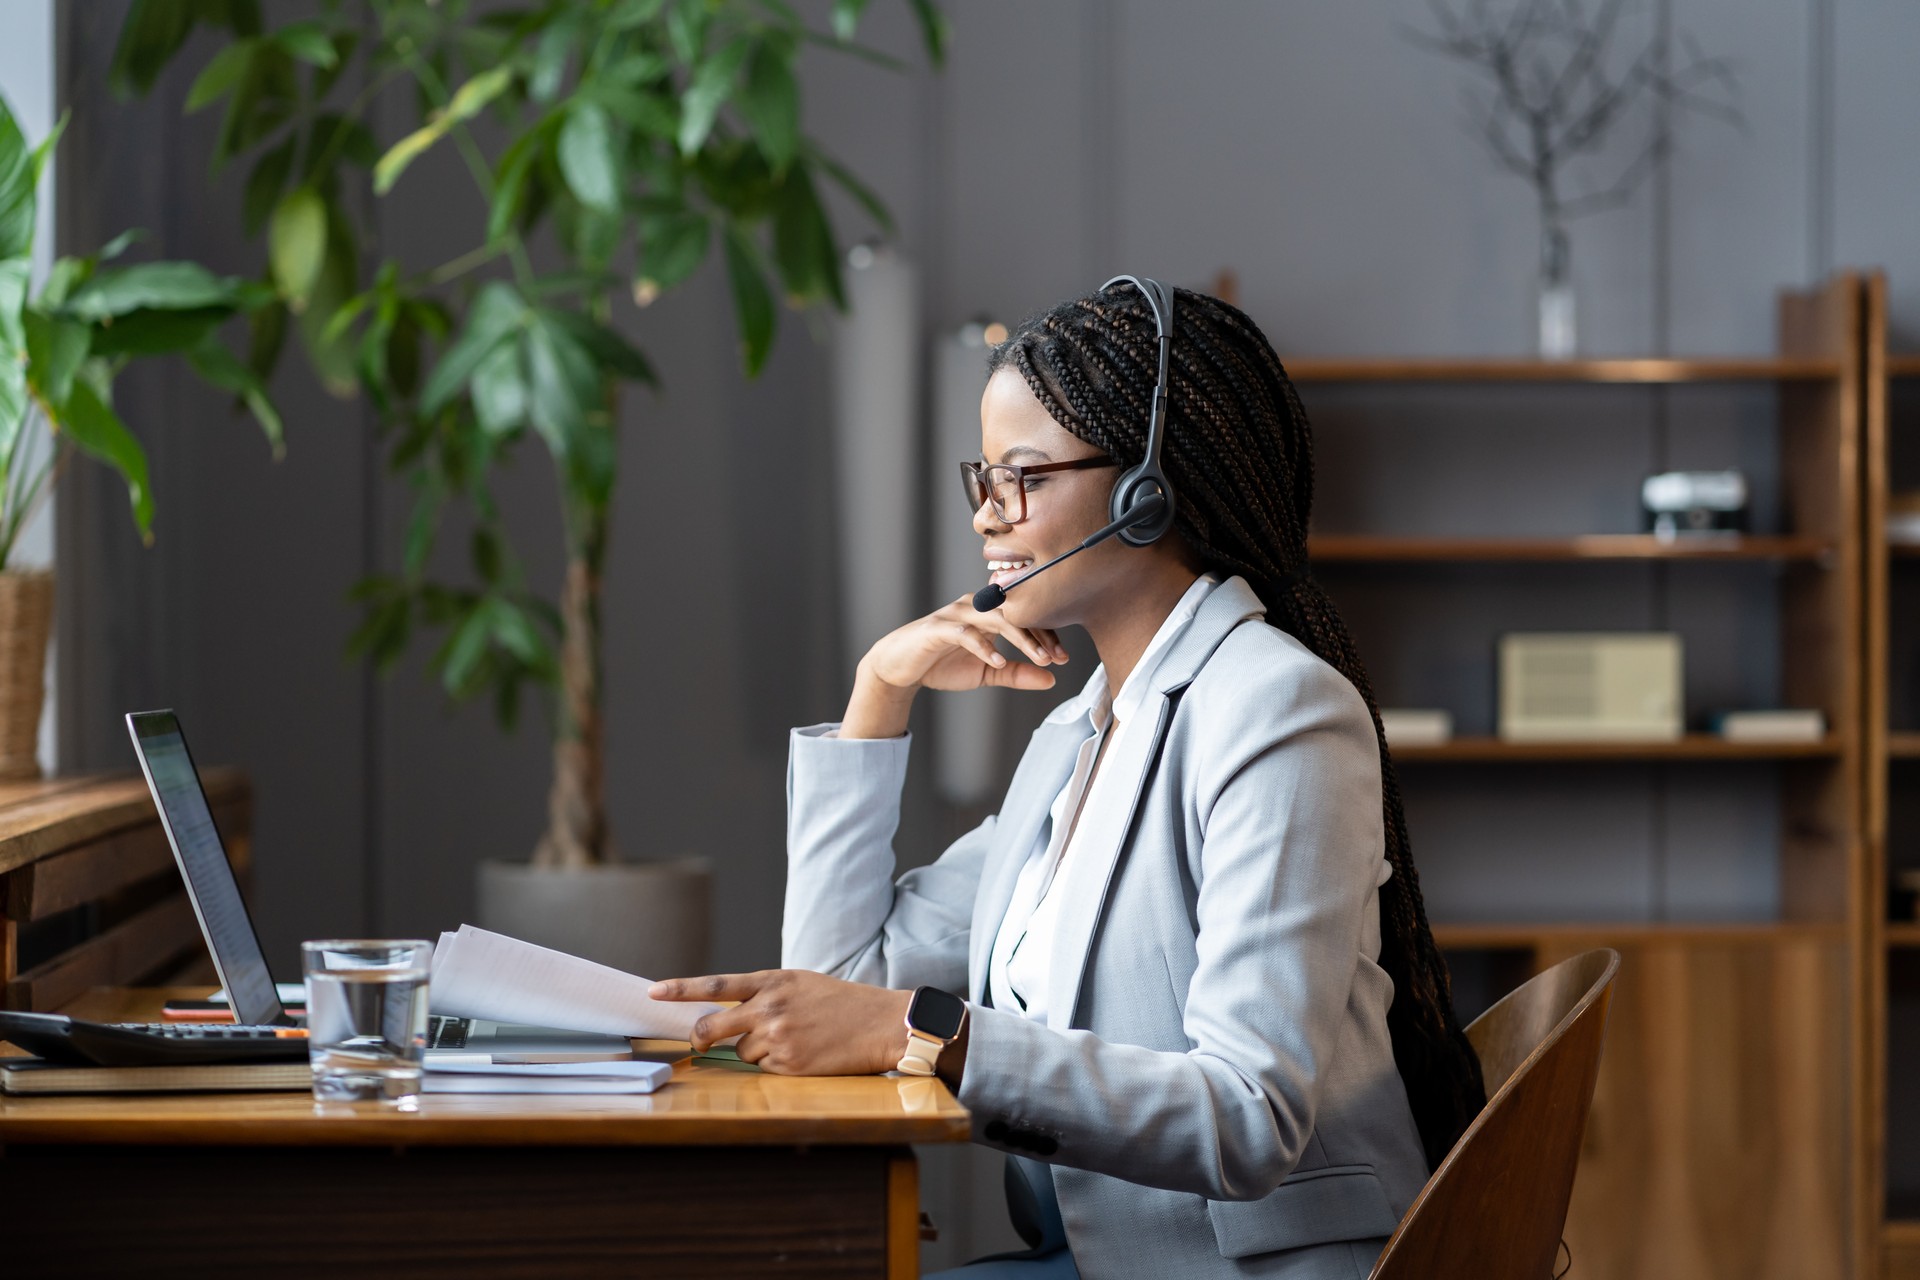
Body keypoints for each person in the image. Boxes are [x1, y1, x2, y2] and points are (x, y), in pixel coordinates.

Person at [651, 279, 1486, 1278]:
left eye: (1026, 476)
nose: (988, 516)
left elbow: (1249, 1117)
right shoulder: (1079, 732)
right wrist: (881, 688)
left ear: (1148, 492)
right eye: (984, 477)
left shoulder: (1277, 710)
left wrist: (937, 1034)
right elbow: (842, 985)